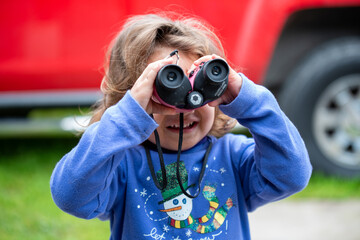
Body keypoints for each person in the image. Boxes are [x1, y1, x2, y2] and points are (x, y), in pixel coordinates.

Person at [50, 12, 312, 240]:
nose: (183, 108)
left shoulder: (234, 157)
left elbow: (292, 175)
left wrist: (250, 100)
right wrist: (126, 119)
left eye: (197, 86)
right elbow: (71, 196)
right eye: (163, 92)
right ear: (130, 100)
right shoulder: (120, 165)